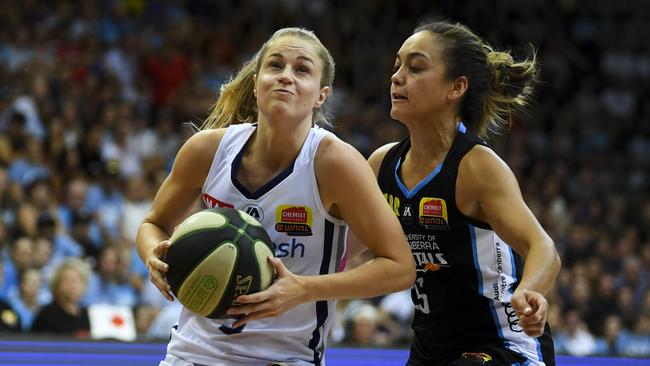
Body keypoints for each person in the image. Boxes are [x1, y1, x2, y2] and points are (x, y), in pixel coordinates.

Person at [136, 27, 415, 366]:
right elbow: (153, 223)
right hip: (192, 353)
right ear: (256, 84)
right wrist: (153, 253)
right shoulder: (206, 150)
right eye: (275, 65)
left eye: (302, 69)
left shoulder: (336, 164)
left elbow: (400, 267)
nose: (286, 76)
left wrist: (305, 289)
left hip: (285, 358)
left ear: (321, 95)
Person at [352, 21, 561, 365]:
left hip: (502, 344)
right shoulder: (381, 164)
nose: (397, 77)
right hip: (430, 346)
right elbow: (343, 250)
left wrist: (529, 289)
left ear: (456, 87)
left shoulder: (476, 166)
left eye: (415, 67)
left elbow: (544, 248)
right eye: (397, 66)